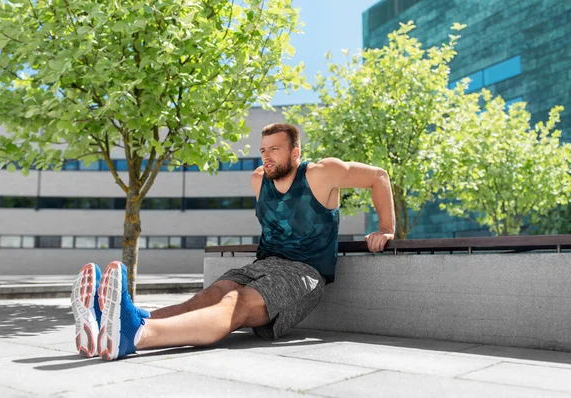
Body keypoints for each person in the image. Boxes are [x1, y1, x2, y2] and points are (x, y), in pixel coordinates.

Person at [70, 122, 395, 360]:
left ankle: (136, 336)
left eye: (275, 150)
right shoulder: (258, 180)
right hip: (261, 265)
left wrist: (386, 228)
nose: (266, 157)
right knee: (209, 295)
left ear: (295, 152)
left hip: (303, 273)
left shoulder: (322, 173)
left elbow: (378, 176)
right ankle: (114, 324)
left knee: (235, 305)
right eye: (263, 150)